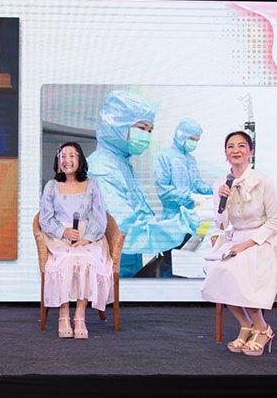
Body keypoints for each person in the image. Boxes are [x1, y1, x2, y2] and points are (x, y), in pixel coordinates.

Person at [200, 131, 277, 356]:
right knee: (220, 273)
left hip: (265, 239)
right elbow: (222, 224)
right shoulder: (221, 184)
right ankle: (246, 325)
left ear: (250, 152)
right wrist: (223, 200)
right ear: (225, 153)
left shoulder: (263, 182)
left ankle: (263, 328)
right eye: (231, 146)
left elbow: (274, 221)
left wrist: (247, 245)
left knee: (240, 271)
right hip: (236, 237)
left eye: (242, 146)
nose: (236, 150)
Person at [87, 91, 192, 277]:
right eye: (142, 128)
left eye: (150, 131)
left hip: (127, 264)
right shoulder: (101, 169)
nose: (146, 136)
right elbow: (126, 231)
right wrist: (180, 227)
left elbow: (141, 214)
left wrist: (170, 223)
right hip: (109, 270)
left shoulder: (121, 164)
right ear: (117, 125)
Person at [39, 142, 113, 339]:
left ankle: (80, 316)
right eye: (63, 156)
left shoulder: (92, 185)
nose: (67, 160)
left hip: (89, 237)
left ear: (80, 160)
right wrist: (63, 231)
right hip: (59, 237)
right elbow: (45, 218)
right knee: (65, 261)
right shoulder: (51, 187)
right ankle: (63, 315)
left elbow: (99, 216)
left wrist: (87, 238)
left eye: (72, 155)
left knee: (86, 259)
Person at [154, 118, 214, 234]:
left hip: (190, 216)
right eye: (192, 139)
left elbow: (198, 183)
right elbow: (163, 190)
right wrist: (190, 195)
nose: (194, 143)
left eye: (197, 140)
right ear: (181, 135)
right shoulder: (164, 156)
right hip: (172, 217)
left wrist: (215, 191)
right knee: (172, 243)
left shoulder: (191, 159)